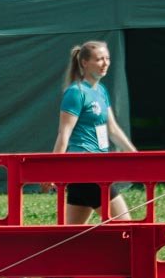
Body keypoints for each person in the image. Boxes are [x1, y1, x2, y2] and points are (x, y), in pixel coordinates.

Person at [46, 41, 138, 224]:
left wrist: (135, 155)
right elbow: (64, 134)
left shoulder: (100, 90)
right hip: (86, 168)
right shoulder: (75, 92)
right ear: (85, 63)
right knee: (126, 226)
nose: (105, 63)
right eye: (99, 59)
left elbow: (112, 129)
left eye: (107, 58)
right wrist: (52, 170)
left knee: (71, 236)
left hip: (93, 168)